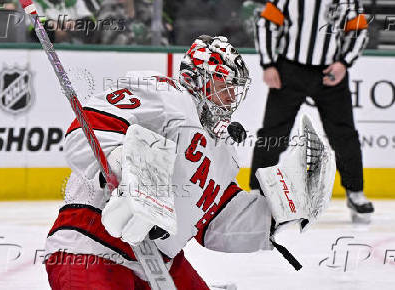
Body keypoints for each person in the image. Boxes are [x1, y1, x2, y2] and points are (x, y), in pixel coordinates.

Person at [43, 35, 334, 289]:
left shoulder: (222, 152)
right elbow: (90, 128)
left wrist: (277, 214)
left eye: (235, 88)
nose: (231, 96)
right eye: (223, 84)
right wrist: (126, 170)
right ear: (197, 77)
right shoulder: (163, 94)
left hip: (159, 262)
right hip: (91, 242)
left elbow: (215, 223)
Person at [252, 0, 374, 223]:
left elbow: (358, 30)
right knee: (272, 133)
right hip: (290, 69)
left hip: (330, 72)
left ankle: (355, 191)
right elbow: (266, 23)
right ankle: (256, 191)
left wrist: (344, 63)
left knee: (344, 134)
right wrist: (268, 63)